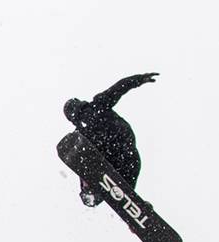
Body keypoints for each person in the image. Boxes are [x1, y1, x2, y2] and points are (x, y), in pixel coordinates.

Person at [62, 72, 158, 207]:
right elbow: (119, 87)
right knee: (131, 171)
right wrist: (139, 79)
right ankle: (136, 205)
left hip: (112, 158)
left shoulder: (80, 134)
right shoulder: (98, 104)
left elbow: (82, 164)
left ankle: (92, 192)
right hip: (126, 151)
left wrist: (85, 187)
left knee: (98, 171)